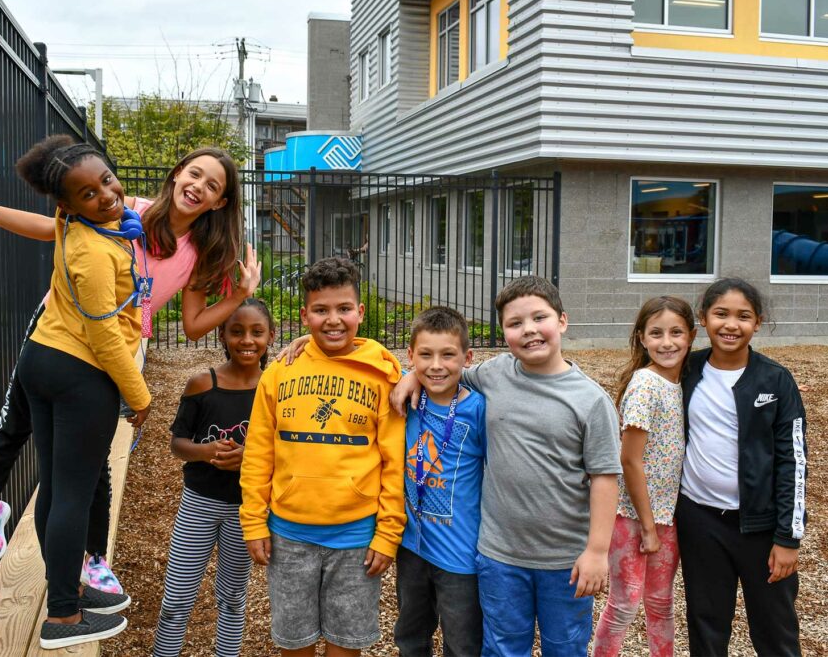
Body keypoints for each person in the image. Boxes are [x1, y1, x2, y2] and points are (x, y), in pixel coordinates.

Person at [0, 147, 258, 592]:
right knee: (17, 424)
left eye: (212, 186)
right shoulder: (130, 209)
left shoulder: (200, 252)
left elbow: (192, 326)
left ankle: (92, 558)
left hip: (115, 349)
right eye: (194, 174)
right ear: (175, 174)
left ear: (220, 203)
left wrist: (239, 296)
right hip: (64, 334)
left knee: (96, 459)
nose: (198, 187)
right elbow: (48, 230)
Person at [391, 276, 621, 657]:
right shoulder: (494, 374)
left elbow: (605, 477)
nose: (528, 330)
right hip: (498, 555)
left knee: (565, 647)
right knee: (501, 648)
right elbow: (441, 372)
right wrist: (409, 374)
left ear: (562, 320)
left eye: (539, 318)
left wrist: (597, 550)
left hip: (563, 559)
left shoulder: (590, 400)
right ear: (503, 333)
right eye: (515, 324)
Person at [12, 135, 145, 647]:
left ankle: (67, 587)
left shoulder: (77, 224)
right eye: (88, 194)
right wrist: (140, 397)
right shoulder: (91, 251)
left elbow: (106, 209)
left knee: (58, 487)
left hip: (42, 358)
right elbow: (105, 337)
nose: (106, 196)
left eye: (107, 180)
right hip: (79, 373)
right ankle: (63, 616)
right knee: (73, 494)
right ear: (66, 206)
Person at [240, 257, 406, 657]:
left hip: (356, 539)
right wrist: (253, 522)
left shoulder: (383, 374)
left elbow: (394, 462)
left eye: (344, 308)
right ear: (304, 315)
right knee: (293, 644)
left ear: (360, 312)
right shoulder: (280, 372)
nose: (333, 320)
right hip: (289, 535)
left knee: (345, 646)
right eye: (321, 310)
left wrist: (388, 533)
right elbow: (260, 452)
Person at [676, 278, 806, 656]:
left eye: (743, 316)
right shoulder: (687, 370)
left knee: (775, 628)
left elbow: (793, 461)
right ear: (703, 318)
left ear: (758, 323)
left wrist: (788, 537)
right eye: (721, 314)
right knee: (706, 623)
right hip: (700, 521)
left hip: (761, 528)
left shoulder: (775, 380)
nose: (731, 324)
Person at [152, 298, 275, 657]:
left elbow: (285, 450)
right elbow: (177, 443)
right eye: (236, 331)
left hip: (246, 509)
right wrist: (206, 452)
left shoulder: (275, 391)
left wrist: (247, 458)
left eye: (256, 332)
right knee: (177, 595)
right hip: (199, 504)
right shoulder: (202, 384)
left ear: (271, 336)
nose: (246, 340)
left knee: (233, 598)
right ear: (222, 334)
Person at [592, 297, 696, 657]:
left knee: (661, 602)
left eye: (676, 333)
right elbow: (630, 460)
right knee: (624, 604)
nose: (667, 342)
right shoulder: (646, 385)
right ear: (641, 338)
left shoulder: (682, 382)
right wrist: (649, 526)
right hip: (633, 516)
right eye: (656, 333)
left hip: (668, 514)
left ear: (691, 336)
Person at [393, 307, 486, 657]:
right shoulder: (407, 399)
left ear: (467, 357)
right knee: (410, 636)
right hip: (412, 547)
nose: (436, 365)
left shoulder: (479, 410)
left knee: (462, 643)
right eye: (426, 355)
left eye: (448, 355)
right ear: (411, 356)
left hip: (460, 554)